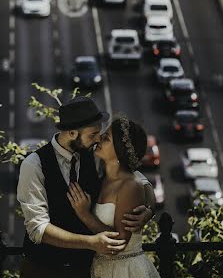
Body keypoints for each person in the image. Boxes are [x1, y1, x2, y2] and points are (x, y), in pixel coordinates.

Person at [17, 97, 155, 278]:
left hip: (83, 269)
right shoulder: (34, 165)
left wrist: (149, 208)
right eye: (93, 134)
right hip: (43, 269)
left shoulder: (93, 154)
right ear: (72, 133)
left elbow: (131, 176)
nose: (98, 139)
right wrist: (90, 242)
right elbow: (38, 229)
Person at [67, 116, 161, 278]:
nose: (99, 139)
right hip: (100, 267)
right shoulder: (103, 177)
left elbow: (120, 243)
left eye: (106, 138)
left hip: (126, 270)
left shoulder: (129, 184)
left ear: (119, 150)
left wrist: (85, 214)